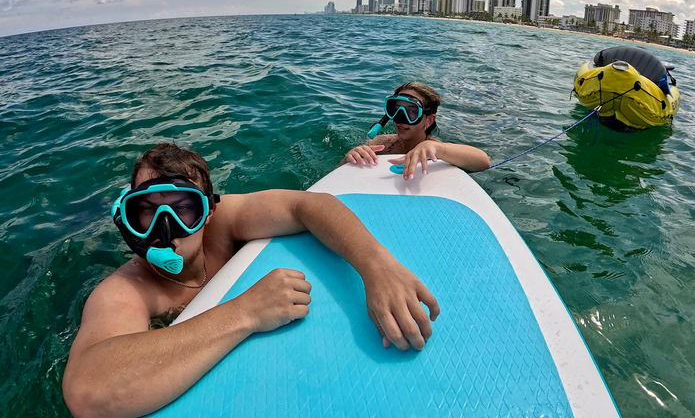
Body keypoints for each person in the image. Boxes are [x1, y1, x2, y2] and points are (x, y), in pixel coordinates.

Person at [62, 143, 440, 418]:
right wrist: (244, 312)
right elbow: (87, 391)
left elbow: (307, 205)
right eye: (146, 212)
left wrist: (377, 266)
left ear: (209, 211)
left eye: (184, 209)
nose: (167, 229)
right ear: (129, 219)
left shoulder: (224, 226)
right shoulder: (126, 290)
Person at [344, 82, 490, 179]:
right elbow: (337, 174)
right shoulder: (380, 142)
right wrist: (349, 158)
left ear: (429, 120)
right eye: (396, 109)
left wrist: (439, 149)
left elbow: (483, 162)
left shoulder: (435, 151)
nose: (400, 118)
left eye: (412, 111)